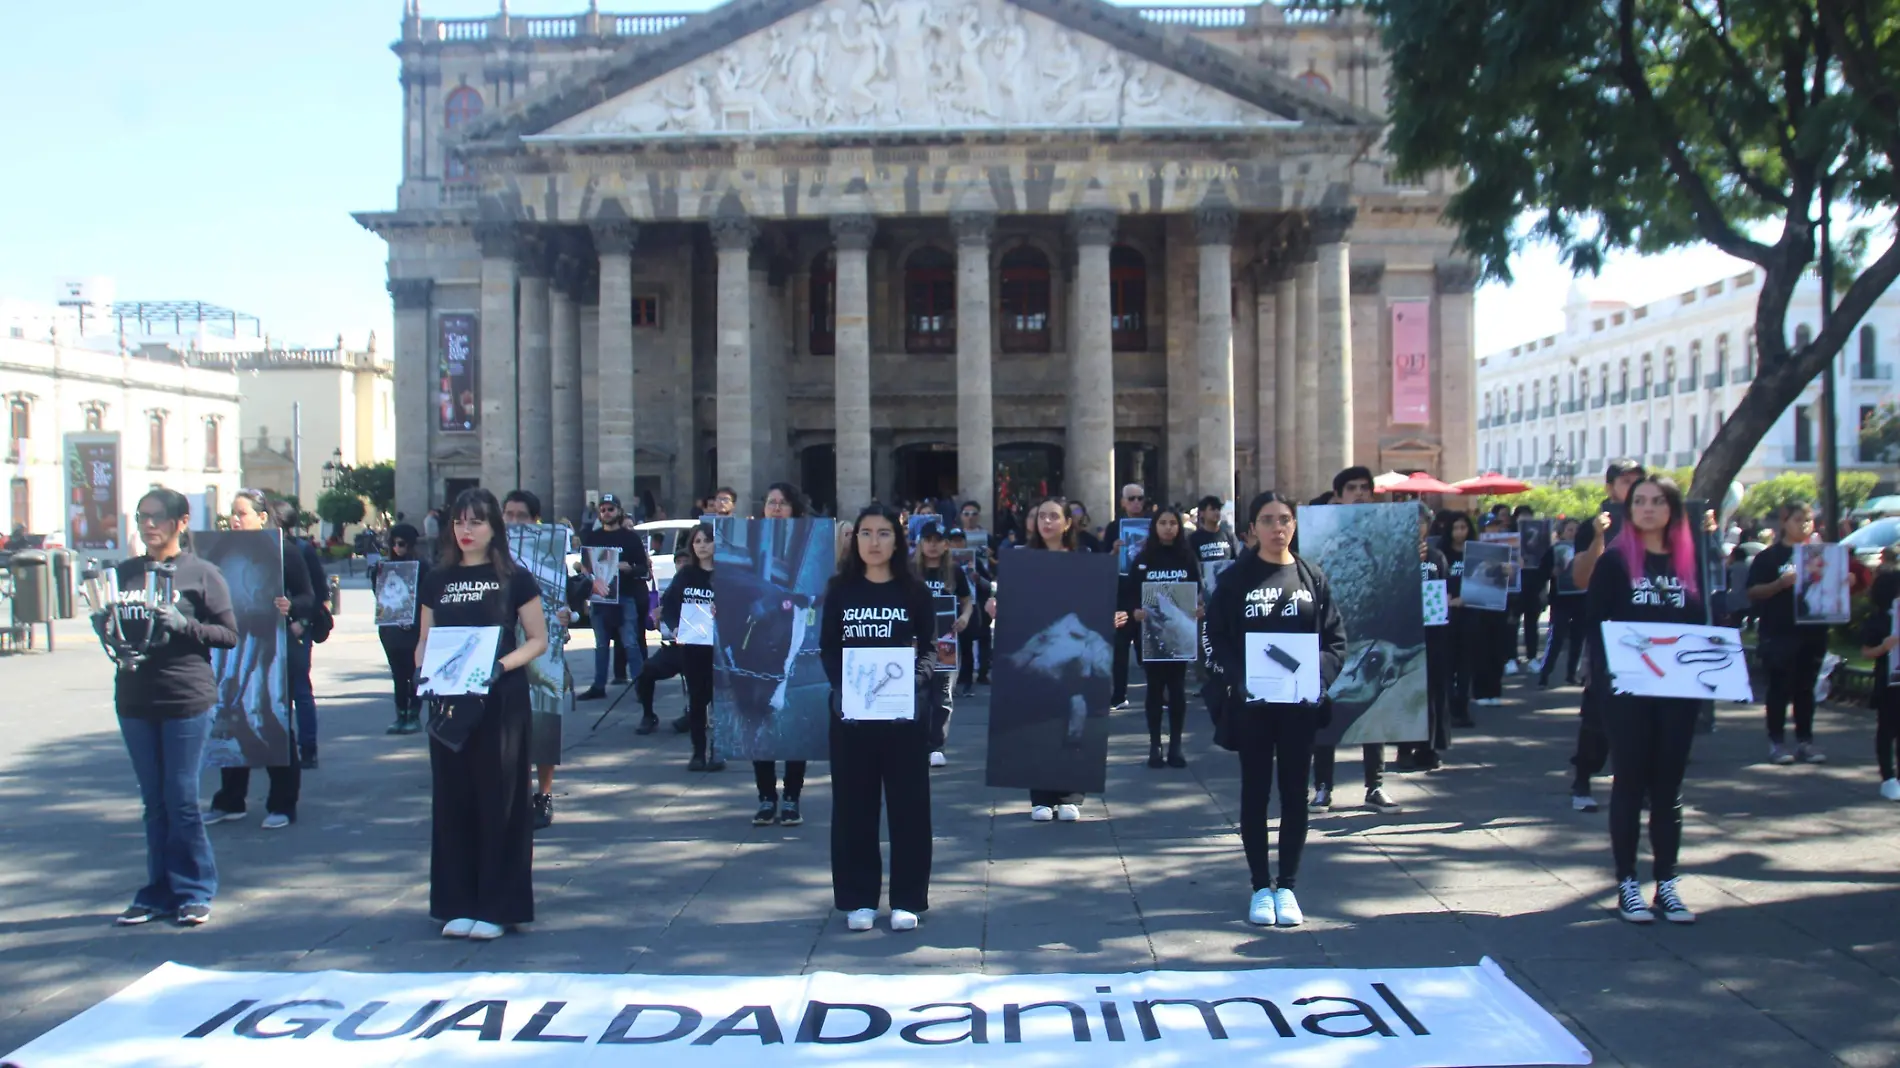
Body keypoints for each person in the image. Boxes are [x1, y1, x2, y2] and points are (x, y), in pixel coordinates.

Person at [1206, 491, 1347, 928]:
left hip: (1298, 705)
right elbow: (1216, 638)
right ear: (1252, 530)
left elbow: (1336, 641)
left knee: (1294, 794)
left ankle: (1286, 884)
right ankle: (1258, 885)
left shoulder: (1312, 578)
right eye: (1267, 520)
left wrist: (1317, 678)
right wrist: (1239, 677)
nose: (1277, 527)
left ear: (1295, 525)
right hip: (1253, 705)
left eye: (1284, 518)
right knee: (1255, 791)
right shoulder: (1234, 580)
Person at [100, 488, 238, 927]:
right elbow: (119, 634)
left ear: (181, 522)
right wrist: (105, 627)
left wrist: (186, 625)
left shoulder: (202, 573)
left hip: (186, 698)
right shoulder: (126, 573)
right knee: (154, 802)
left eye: (157, 517)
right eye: (141, 517)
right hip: (135, 698)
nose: (148, 525)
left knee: (180, 800)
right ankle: (156, 890)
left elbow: (228, 634)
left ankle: (195, 889)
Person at [416, 488, 548, 940]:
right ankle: (457, 900)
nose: (465, 530)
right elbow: (424, 640)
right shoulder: (436, 579)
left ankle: (498, 904)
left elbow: (537, 639)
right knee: (453, 798)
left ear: (494, 527)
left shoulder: (515, 578)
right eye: (458, 522)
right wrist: (423, 669)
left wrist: (499, 666)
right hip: (449, 701)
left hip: (500, 700)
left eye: (475, 522)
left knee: (501, 799)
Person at [1584, 475, 1704, 924]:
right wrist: (1608, 680)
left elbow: (1709, 622)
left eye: (1657, 501)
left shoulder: (1691, 562)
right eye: (1640, 501)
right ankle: (1627, 883)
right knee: (1630, 781)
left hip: (1679, 691)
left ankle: (1667, 884)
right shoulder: (1616, 562)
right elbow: (1594, 625)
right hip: (1628, 692)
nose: (1648, 509)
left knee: (1669, 785)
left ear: (1672, 508)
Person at [822, 504, 937, 932]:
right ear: (855, 541)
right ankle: (859, 898)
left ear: (897, 540)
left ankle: (907, 898)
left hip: (903, 718)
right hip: (851, 718)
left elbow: (929, 649)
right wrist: (841, 688)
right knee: (854, 807)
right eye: (866, 533)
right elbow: (829, 648)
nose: (874, 542)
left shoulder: (914, 593)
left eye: (883, 533)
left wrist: (913, 685)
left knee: (909, 807)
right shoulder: (840, 590)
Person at [205, 492, 319, 830]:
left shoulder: (284, 552)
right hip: (230, 643)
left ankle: (283, 803)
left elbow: (309, 597)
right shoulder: (219, 551)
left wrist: (291, 607)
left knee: (270, 716)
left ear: (261, 517)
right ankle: (230, 799)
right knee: (230, 714)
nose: (235, 519)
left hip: (272, 644)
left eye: (242, 513)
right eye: (232, 513)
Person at [991, 495, 1094, 822]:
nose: (1046, 522)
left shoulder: (1083, 559)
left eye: (1054, 516)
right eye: (1041, 516)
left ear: (1067, 523)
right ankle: (1040, 795)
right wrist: (995, 606)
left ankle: (1070, 794)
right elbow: (1008, 600)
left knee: (1072, 718)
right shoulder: (1022, 559)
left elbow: (1093, 603)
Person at [1309, 466, 1400, 812]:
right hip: (1327, 636)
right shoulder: (1321, 531)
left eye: (1366, 487)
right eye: (1352, 488)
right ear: (1338, 495)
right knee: (1324, 710)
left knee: (1372, 706)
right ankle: (1323, 786)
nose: (1360, 493)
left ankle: (1375, 785)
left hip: (1370, 631)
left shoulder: (1383, 531)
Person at [1566, 459, 1647, 811]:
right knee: (1599, 711)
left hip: (1648, 629)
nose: (1633, 488)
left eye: (1638, 481)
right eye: (1626, 481)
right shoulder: (1594, 526)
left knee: (1645, 712)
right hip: (1606, 629)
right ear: (1610, 487)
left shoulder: (1656, 525)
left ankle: (1638, 782)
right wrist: (1600, 535)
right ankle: (1583, 779)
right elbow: (1582, 578)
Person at [503, 490, 579, 831]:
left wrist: (568, 616)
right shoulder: (490, 554)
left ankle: (543, 793)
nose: (513, 521)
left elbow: (568, 600)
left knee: (544, 719)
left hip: (541, 648)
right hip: (502, 645)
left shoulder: (550, 555)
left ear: (535, 520)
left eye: (521, 515)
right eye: (508, 514)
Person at [747, 482, 814, 826]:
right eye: (770, 502)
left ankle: (791, 795)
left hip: (792, 629)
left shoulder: (801, 544)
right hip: (761, 636)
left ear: (795, 510)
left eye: (782, 503)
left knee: (790, 716)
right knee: (760, 714)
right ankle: (765, 795)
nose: (775, 508)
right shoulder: (754, 544)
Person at [1746, 501, 1829, 765]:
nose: (1803, 525)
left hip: (1813, 630)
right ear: (1784, 522)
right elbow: (1753, 591)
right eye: (1797, 520)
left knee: (1806, 688)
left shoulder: (1821, 556)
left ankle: (1805, 740)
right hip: (1780, 631)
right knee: (1779, 687)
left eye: (1808, 520)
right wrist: (1779, 584)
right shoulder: (1769, 558)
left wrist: (1845, 582)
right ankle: (1777, 741)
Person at [1120, 505, 1199, 768]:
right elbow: (1130, 592)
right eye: (1163, 523)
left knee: (1177, 689)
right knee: (1154, 689)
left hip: (1179, 634)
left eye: (1173, 523)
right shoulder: (1143, 558)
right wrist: (1136, 611)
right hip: (1150, 635)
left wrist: (1198, 608)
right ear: (1155, 527)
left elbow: (1198, 590)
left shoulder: (1187, 558)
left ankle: (1176, 746)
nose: (1168, 528)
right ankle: (1155, 746)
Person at [660, 522, 724, 772]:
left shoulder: (725, 575)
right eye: (697, 541)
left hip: (719, 646)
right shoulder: (686, 575)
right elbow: (669, 604)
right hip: (693, 645)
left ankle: (719, 750)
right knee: (697, 701)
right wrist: (675, 627)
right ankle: (698, 751)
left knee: (720, 701)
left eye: (707, 540)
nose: (702, 546)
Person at [577, 494, 652, 700]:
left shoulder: (630, 538)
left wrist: (628, 568)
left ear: (619, 511)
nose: (607, 513)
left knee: (630, 642)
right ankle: (598, 686)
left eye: (611, 509)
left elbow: (643, 568)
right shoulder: (593, 538)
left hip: (625, 596)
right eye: (603, 510)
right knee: (601, 644)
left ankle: (640, 686)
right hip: (600, 598)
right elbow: (586, 568)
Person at [912, 522, 972, 768]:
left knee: (943, 695)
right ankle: (919, 744)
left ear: (946, 544)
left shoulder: (954, 571)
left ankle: (937, 745)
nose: (933, 544)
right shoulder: (910, 571)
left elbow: (967, 600)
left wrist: (965, 617)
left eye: (938, 539)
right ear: (921, 543)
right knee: (920, 694)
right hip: (918, 643)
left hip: (947, 642)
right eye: (928, 539)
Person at [1399, 502, 1450, 772]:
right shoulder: (1396, 556)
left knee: (1430, 692)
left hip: (1432, 630)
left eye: (1421, 522)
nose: (1417, 527)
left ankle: (1428, 746)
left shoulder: (1436, 557)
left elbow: (1442, 592)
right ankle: (1404, 747)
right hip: (1403, 630)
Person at [373, 523, 430, 735]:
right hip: (391, 629)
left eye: (401, 543)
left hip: (414, 628)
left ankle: (413, 715)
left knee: (412, 671)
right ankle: (401, 714)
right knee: (397, 674)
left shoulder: (422, 566)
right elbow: (379, 596)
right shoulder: (386, 566)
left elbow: (428, 597)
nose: (397, 548)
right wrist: (376, 575)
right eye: (393, 543)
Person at [638, 545, 696, 734]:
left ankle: (693, 714)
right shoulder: (671, 587)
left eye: (685, 562)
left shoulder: (701, 582)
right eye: (678, 562)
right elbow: (656, 623)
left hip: (696, 647)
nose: (681, 565)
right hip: (672, 647)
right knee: (647, 670)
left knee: (700, 678)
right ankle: (648, 715)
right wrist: (657, 619)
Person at [1103, 483, 1151, 708]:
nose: (1136, 503)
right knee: (1120, 647)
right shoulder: (1114, 528)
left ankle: (1158, 693)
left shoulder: (1154, 525)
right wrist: (1113, 551)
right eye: (1131, 499)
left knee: (1150, 648)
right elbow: (1103, 564)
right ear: (1122, 502)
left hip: (1147, 592)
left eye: (1140, 498)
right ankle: (1119, 694)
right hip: (1122, 595)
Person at [1860, 550, 1900, 801]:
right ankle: (1888, 777)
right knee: (1887, 730)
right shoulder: (1877, 621)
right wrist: (1883, 647)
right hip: (1888, 684)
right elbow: (1866, 652)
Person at [288, 520, 328, 770]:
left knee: (300, 688)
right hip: (263, 631)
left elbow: (318, 592)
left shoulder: (300, 550)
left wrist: (303, 620)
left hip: (297, 628)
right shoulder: (255, 549)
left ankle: (308, 748)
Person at [1537, 517, 1585, 687]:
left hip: (1582, 599)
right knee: (1556, 638)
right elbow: (1541, 573)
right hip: (1561, 600)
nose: (1573, 533)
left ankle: (1572, 674)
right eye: (1570, 530)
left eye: (1576, 530)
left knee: (1578, 639)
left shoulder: (1586, 549)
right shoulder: (1554, 550)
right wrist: (1552, 572)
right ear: (1562, 533)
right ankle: (1545, 673)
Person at [948, 527, 993, 696]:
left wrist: (978, 578)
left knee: (966, 645)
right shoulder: (941, 562)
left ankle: (967, 682)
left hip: (969, 606)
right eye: (953, 540)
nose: (957, 543)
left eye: (960, 540)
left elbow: (989, 586)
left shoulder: (976, 561)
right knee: (948, 646)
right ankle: (950, 681)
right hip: (946, 606)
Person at [1189, 494, 1238, 565]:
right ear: (1202, 513)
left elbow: (1238, 558)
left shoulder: (1229, 535)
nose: (1217, 512)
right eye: (1212, 509)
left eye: (1218, 509)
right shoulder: (1193, 538)